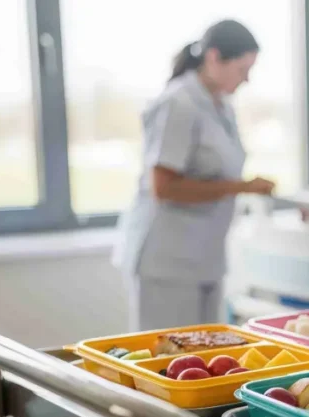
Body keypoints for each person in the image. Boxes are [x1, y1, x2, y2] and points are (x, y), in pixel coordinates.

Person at [113, 20, 276, 331]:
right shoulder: (179, 103)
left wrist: (243, 187)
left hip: (204, 257)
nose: (248, 79)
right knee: (166, 362)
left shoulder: (221, 106)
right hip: (167, 261)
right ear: (214, 58)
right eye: (243, 69)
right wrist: (242, 187)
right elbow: (164, 186)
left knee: (202, 360)